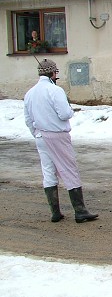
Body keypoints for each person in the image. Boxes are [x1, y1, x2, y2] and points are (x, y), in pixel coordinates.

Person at [23, 58, 99, 223]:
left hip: (40, 135)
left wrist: (36, 133)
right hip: (57, 134)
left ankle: (55, 212)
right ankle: (80, 211)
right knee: (69, 169)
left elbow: (28, 119)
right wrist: (71, 111)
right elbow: (64, 114)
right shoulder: (55, 90)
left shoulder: (30, 93)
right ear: (52, 73)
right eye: (56, 72)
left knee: (48, 171)